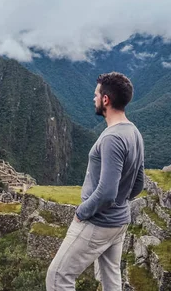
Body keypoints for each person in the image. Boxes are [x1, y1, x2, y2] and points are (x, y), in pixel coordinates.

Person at [47, 72, 145, 291]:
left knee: (57, 277)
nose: (94, 99)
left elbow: (107, 192)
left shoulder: (112, 138)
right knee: (111, 281)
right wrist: (120, 203)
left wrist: (82, 211)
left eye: (96, 94)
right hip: (119, 222)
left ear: (106, 100)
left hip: (98, 222)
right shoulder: (134, 132)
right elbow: (138, 183)